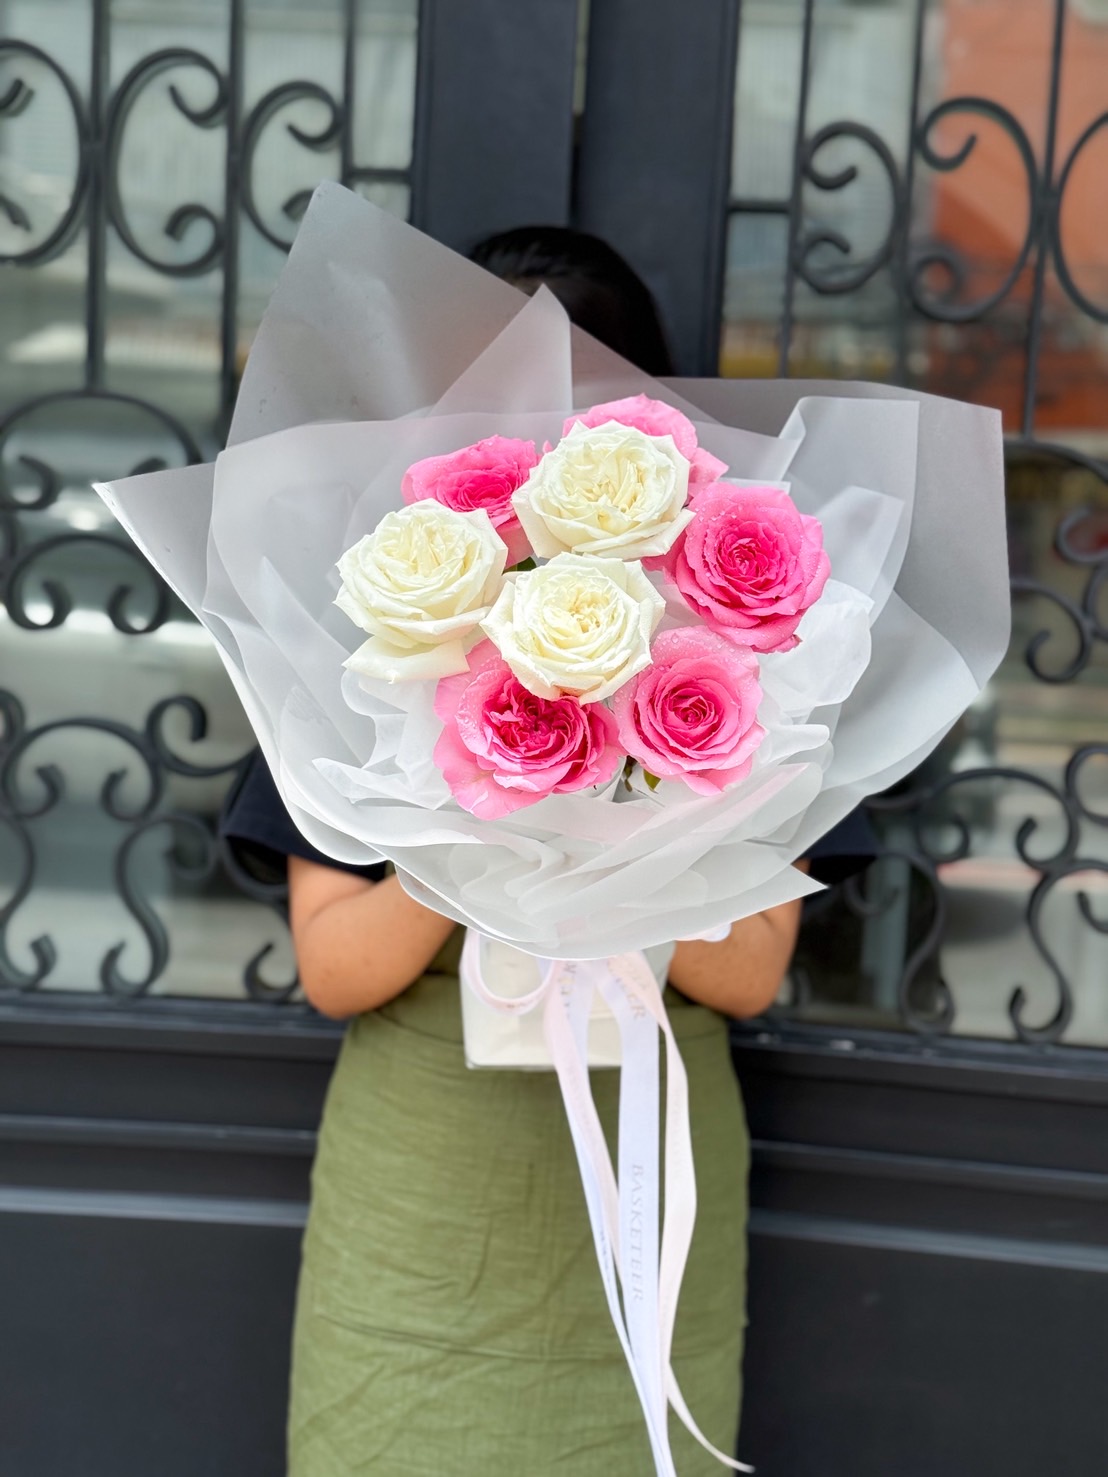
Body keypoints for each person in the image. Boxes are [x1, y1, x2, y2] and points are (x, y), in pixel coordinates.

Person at [221, 225, 874, 1475]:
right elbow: (337, 970)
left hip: (647, 1168)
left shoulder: (751, 667)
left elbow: (745, 974)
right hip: (420, 1189)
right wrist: (487, 787)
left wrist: (627, 798)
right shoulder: (363, 655)